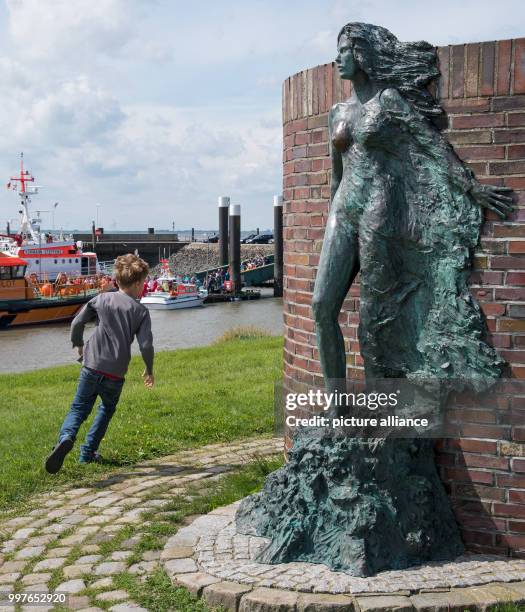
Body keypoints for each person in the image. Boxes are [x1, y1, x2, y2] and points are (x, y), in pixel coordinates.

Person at [312, 22, 512, 407]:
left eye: (345, 50)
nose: (338, 58)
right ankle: (336, 408)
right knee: (322, 306)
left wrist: (471, 187)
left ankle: (377, 410)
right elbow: (337, 176)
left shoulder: (389, 101)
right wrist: (331, 223)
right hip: (343, 212)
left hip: (379, 210)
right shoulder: (337, 111)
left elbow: (433, 146)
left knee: (375, 316)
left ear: (363, 56)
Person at [45, 253, 155, 473]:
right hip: (116, 372)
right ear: (136, 284)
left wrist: (78, 344)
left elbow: (77, 322)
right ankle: (87, 453)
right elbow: (145, 345)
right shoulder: (141, 311)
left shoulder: (101, 299)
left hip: (91, 364)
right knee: (106, 409)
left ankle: (66, 437)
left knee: (78, 408)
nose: (143, 287)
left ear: (116, 281)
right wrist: (149, 369)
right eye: (143, 283)